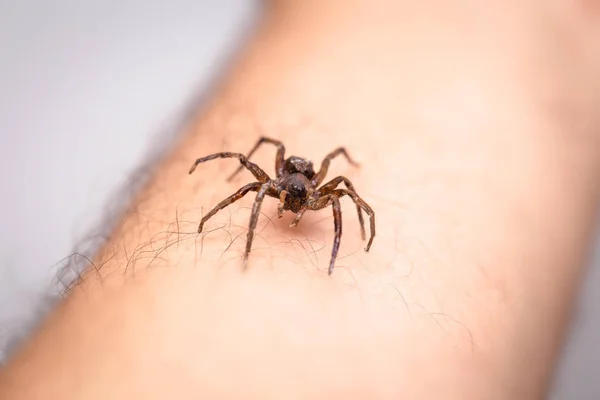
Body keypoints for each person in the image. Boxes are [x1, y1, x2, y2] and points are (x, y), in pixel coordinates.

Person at [1, 1, 599, 398]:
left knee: (344, 187)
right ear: (284, 178)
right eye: (287, 190)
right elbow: (244, 162)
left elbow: (351, 194)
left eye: (296, 193)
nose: (290, 200)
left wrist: (351, 238)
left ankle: (339, 253)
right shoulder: (272, 176)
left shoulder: (320, 191)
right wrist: (216, 208)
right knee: (239, 169)